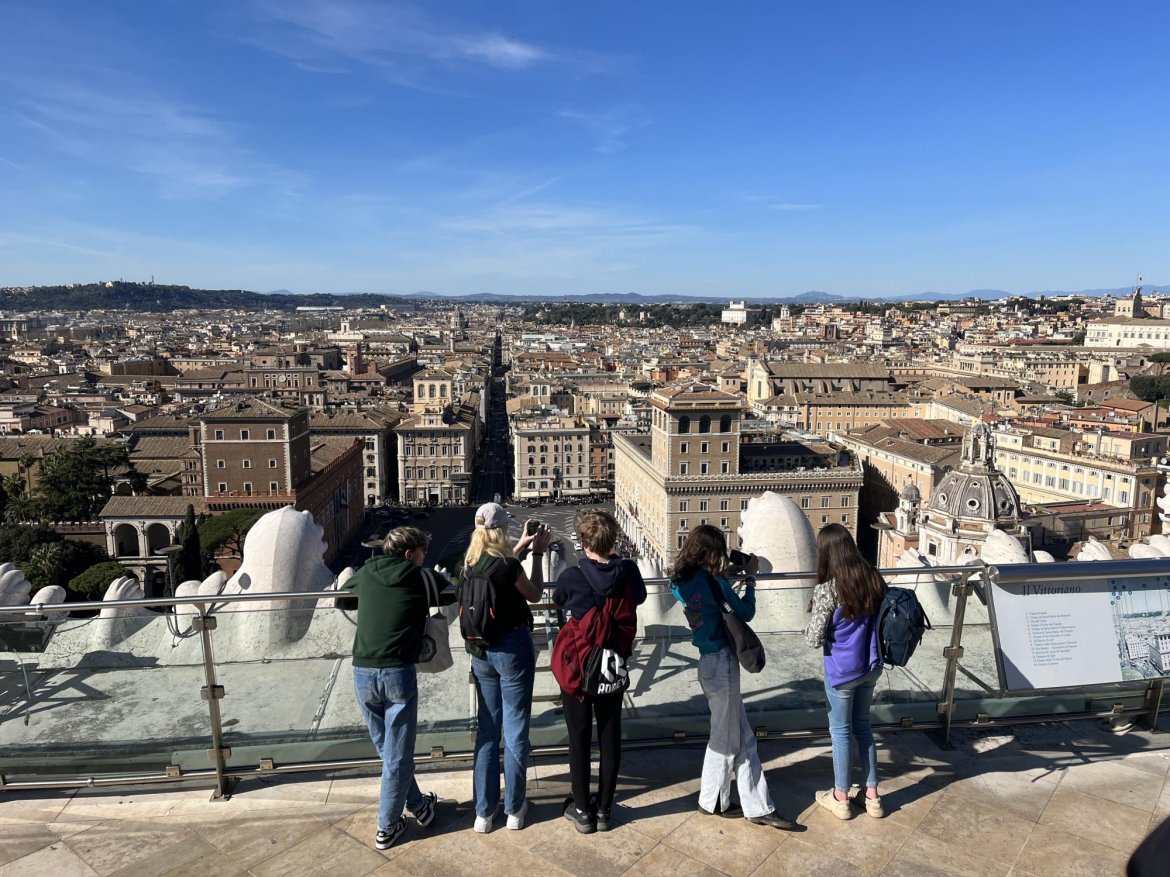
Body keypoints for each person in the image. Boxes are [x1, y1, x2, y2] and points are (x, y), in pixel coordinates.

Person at [670, 524, 800, 831]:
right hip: (723, 663)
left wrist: (722, 579)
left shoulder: (681, 580)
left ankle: (743, 804)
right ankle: (722, 801)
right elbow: (746, 612)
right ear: (711, 553)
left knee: (741, 738)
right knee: (727, 740)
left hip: (705, 664)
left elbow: (705, 596)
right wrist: (750, 578)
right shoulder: (716, 584)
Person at [339, 526, 455, 850]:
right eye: (422, 554)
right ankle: (386, 828)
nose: (424, 559)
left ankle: (419, 806)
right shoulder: (423, 578)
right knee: (397, 757)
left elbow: (343, 600)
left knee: (392, 754)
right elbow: (451, 593)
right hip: (397, 673)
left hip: (362, 671)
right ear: (409, 554)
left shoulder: (366, 571)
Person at [553, 509, 647, 833]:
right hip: (613, 666)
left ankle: (581, 810)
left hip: (579, 669)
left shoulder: (572, 577)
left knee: (578, 739)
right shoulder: (629, 571)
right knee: (610, 737)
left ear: (582, 541)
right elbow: (642, 596)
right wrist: (618, 563)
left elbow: (558, 599)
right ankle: (605, 809)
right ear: (613, 541)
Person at [463, 501, 550, 833]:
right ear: (501, 531)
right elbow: (535, 594)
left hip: (479, 652)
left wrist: (522, 546)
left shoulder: (470, 563)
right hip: (511, 651)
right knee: (515, 731)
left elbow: (495, 566)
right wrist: (538, 553)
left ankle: (483, 813)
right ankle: (514, 809)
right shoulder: (509, 568)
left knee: (487, 731)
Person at [804, 523, 885, 820]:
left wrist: (811, 618)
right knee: (863, 727)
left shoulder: (827, 590)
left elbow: (814, 639)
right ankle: (872, 795)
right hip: (871, 665)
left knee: (840, 733)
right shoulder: (873, 579)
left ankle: (840, 797)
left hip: (842, 672)